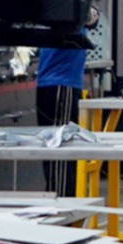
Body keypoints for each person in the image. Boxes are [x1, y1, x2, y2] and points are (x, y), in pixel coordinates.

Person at [35, 43, 88, 194]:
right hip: (58, 83)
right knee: (58, 148)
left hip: (58, 83)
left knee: (58, 149)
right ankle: (60, 199)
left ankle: (60, 197)